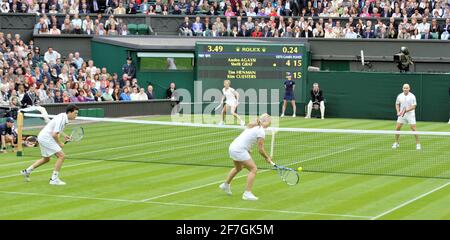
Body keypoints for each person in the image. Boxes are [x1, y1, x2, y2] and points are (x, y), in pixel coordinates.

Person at [219, 113, 275, 201]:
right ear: (264, 122)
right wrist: (267, 157)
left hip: (232, 147)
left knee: (238, 167)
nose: (270, 124)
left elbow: (246, 138)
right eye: (269, 121)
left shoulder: (252, 126)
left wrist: (248, 150)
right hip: (239, 150)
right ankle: (247, 193)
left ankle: (225, 185)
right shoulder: (261, 131)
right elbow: (260, 149)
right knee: (253, 169)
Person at [20, 105, 79, 185]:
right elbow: (54, 134)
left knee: (46, 159)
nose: (76, 115)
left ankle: (27, 171)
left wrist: (64, 136)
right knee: (61, 156)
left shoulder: (63, 117)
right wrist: (59, 143)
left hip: (43, 137)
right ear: (69, 112)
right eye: (75, 113)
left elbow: (57, 130)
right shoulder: (62, 118)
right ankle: (54, 179)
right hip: (46, 138)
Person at [392, 84, 421, 150]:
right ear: (402, 88)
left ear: (409, 88)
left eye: (407, 88)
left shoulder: (412, 96)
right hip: (402, 114)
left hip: (410, 114)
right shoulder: (399, 96)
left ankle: (418, 144)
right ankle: (396, 142)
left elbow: (414, 106)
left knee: (413, 128)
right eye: (404, 88)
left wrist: (405, 110)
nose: (405, 89)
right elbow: (397, 104)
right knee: (397, 128)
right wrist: (398, 111)